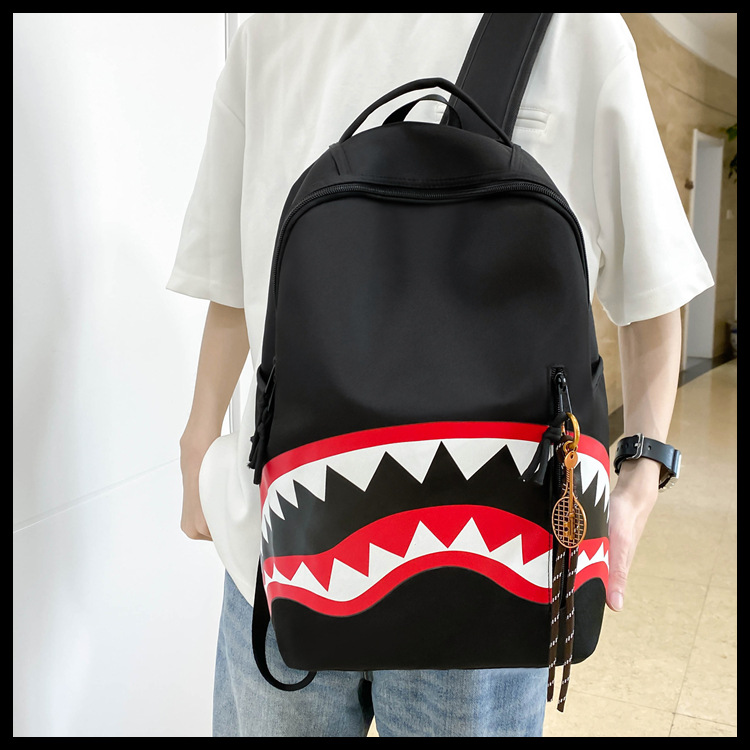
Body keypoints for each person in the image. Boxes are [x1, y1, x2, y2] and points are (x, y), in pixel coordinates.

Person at [168, 13, 714, 737]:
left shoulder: (575, 29)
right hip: (277, 544)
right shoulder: (271, 29)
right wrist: (199, 438)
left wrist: (639, 480)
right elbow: (233, 272)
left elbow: (653, 289)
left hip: (493, 564)